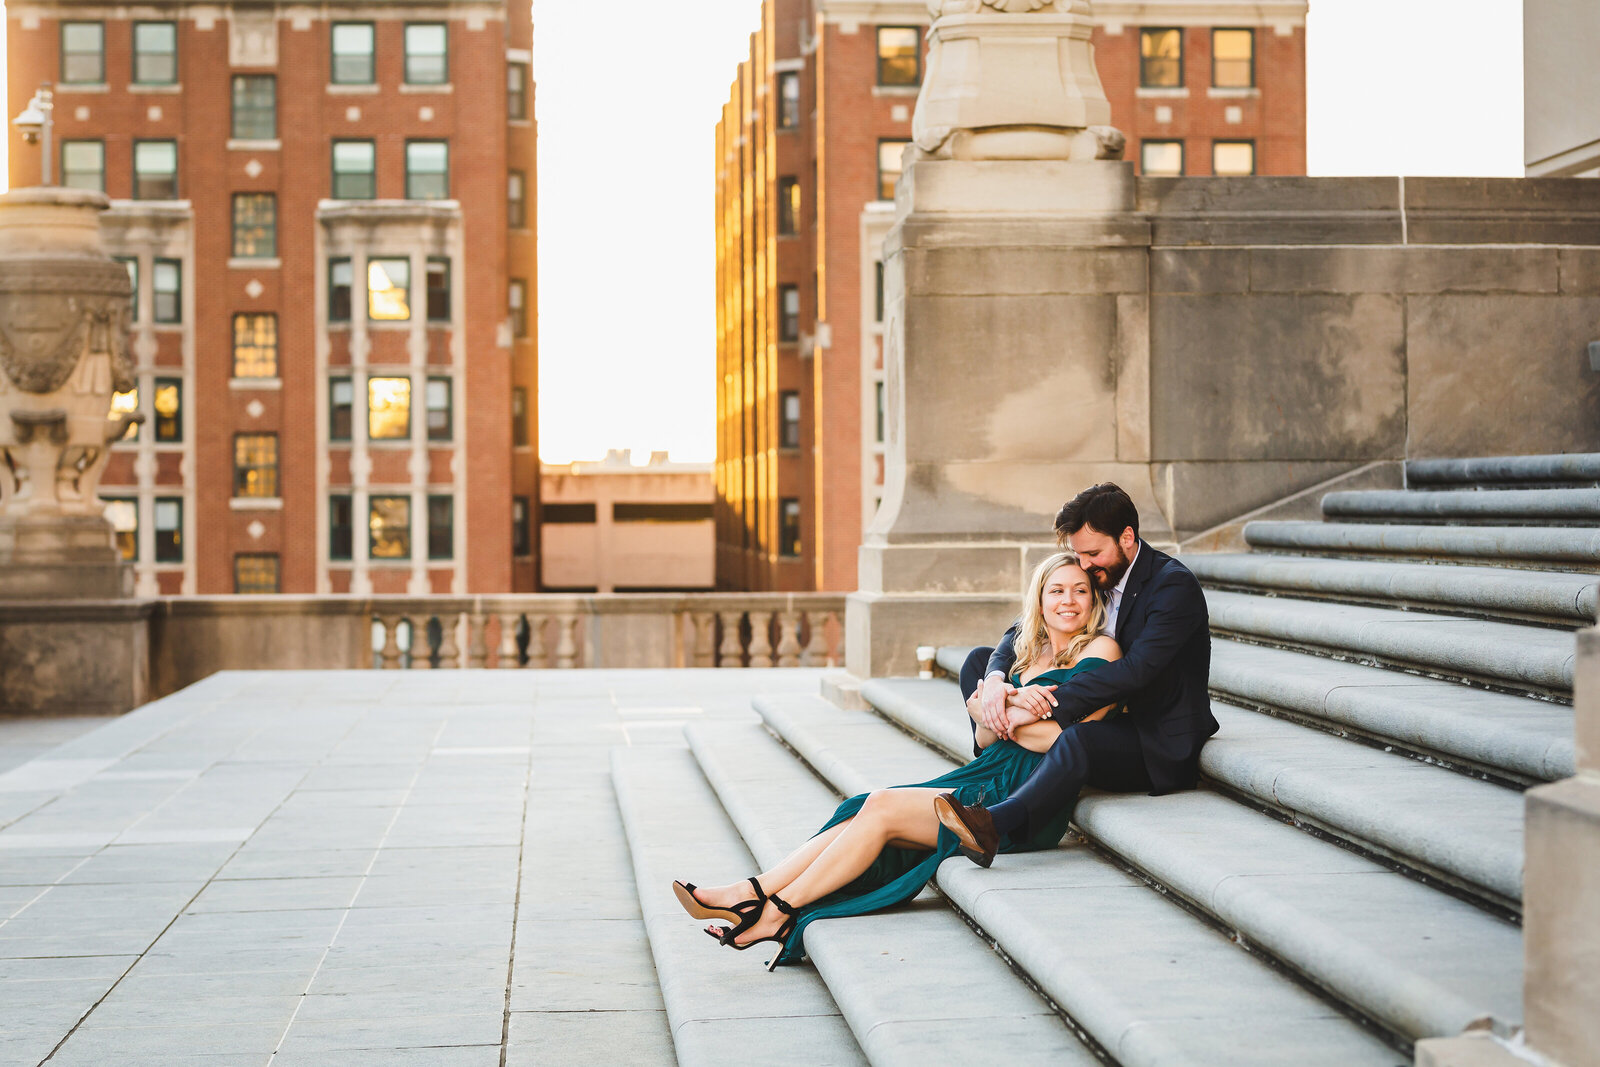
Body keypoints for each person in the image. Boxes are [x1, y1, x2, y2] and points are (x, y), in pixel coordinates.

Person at [673, 551, 1123, 969]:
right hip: (988, 770)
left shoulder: (1102, 650)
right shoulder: (1024, 653)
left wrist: (1006, 707)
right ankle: (755, 894)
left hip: (1024, 795)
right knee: (861, 807)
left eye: (1080, 590)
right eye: (1057, 590)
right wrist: (1014, 706)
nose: (1069, 601)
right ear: (1039, 600)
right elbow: (985, 736)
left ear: (1094, 599)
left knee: (883, 807)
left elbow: (1064, 738)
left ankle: (771, 907)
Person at [933, 481, 1215, 869]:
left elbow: (1135, 671)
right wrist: (998, 685)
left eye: (1093, 553)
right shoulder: (1100, 572)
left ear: (1127, 537)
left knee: (1081, 737)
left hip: (1152, 737)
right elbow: (1018, 631)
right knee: (979, 661)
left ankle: (996, 823)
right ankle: (998, 743)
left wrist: (1032, 706)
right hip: (1105, 715)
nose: (1084, 565)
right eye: (1078, 555)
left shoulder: (1172, 586)